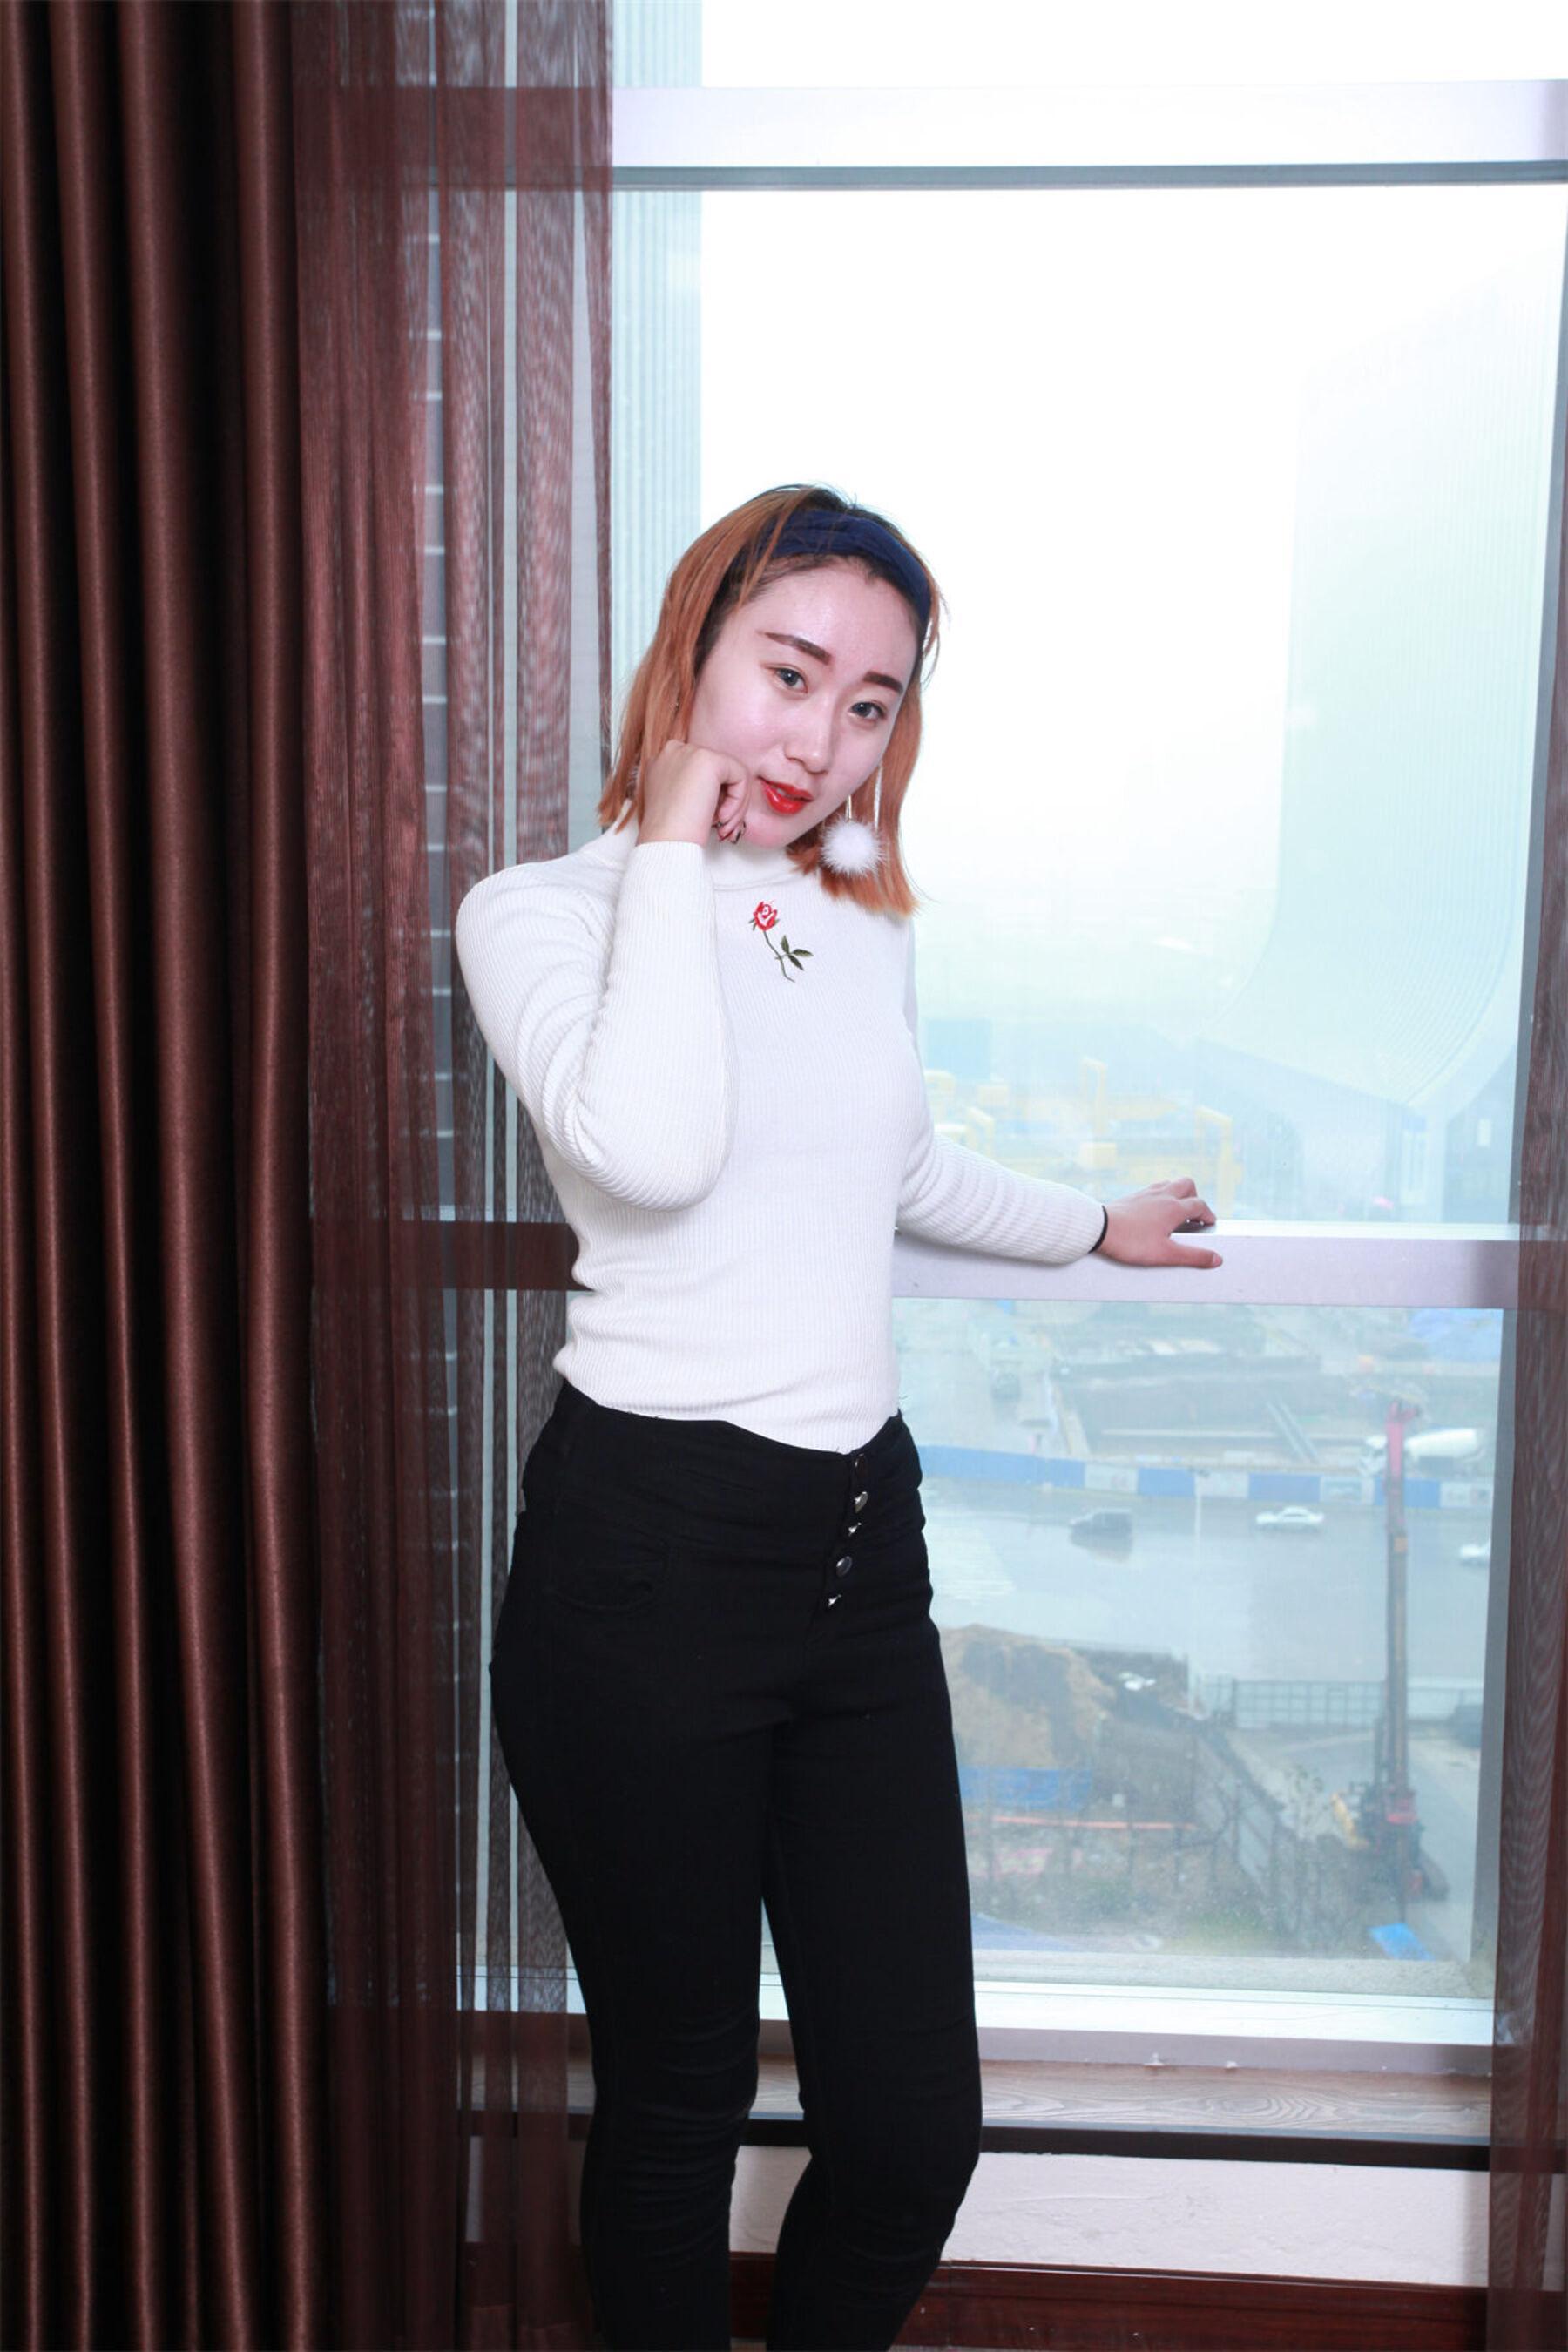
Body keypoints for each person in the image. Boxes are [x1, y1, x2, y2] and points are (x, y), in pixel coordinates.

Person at [455, 483, 1222, 2352]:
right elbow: (651, 1148)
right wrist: (667, 840)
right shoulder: (538, 914)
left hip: (860, 1563)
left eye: (870, 704)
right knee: (676, 2102)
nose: (820, 739)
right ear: (692, 651)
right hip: (643, 1571)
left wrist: (1092, 1226)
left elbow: (900, 1166)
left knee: (910, 2126)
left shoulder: (849, 922)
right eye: (788, 673)